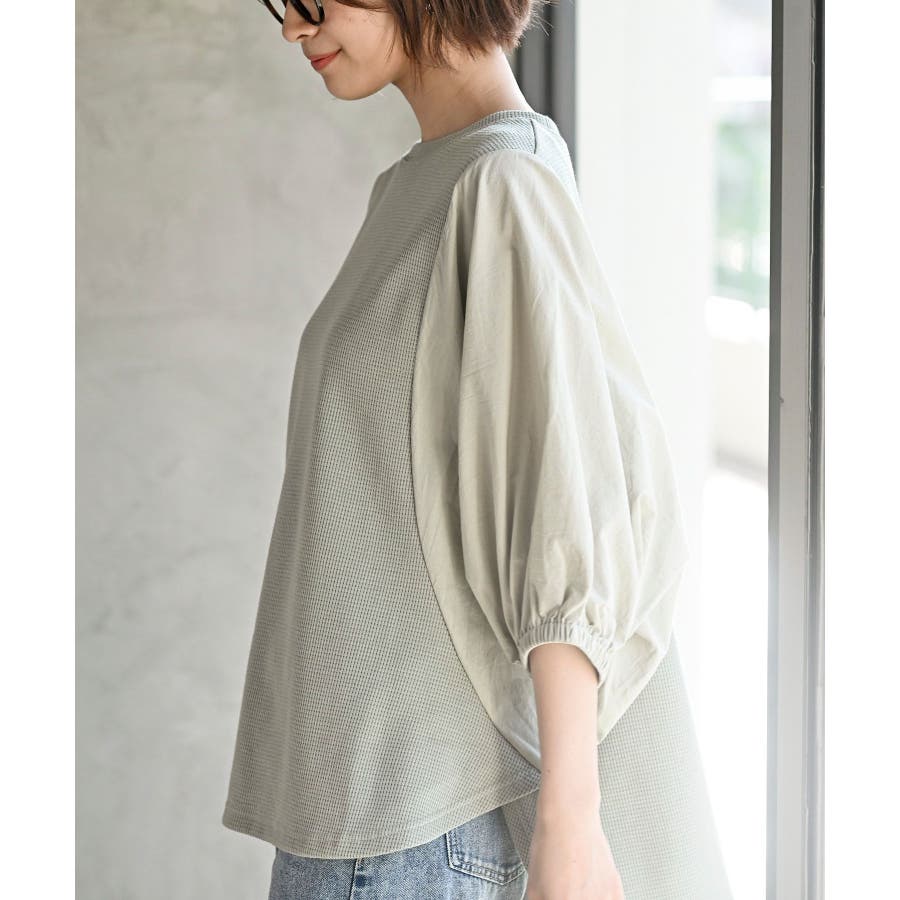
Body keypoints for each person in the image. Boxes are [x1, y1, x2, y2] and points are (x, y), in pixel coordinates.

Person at [222, 2, 731, 899]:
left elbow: (562, 508)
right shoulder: (427, 183)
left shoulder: (502, 181)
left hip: (418, 823)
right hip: (370, 812)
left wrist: (570, 825)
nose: (293, 27)